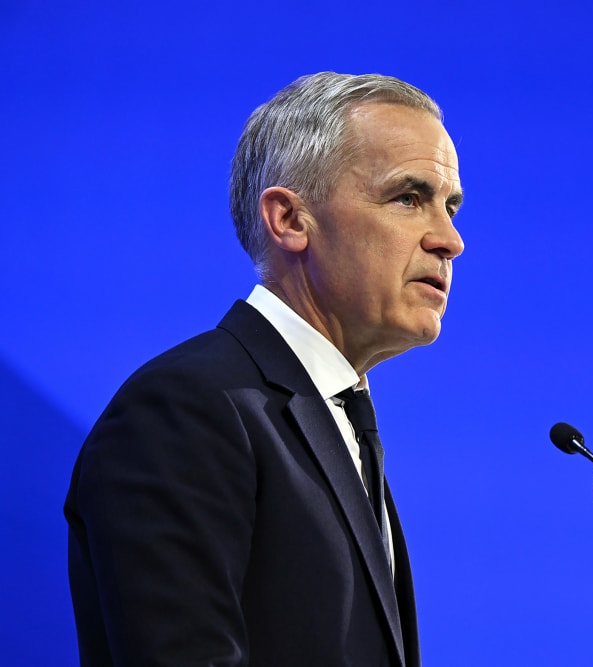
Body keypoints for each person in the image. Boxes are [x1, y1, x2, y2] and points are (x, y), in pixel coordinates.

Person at [64, 72, 465, 667]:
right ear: (290, 220)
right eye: (408, 198)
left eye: (449, 206)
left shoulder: (336, 417)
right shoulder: (188, 409)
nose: (449, 240)